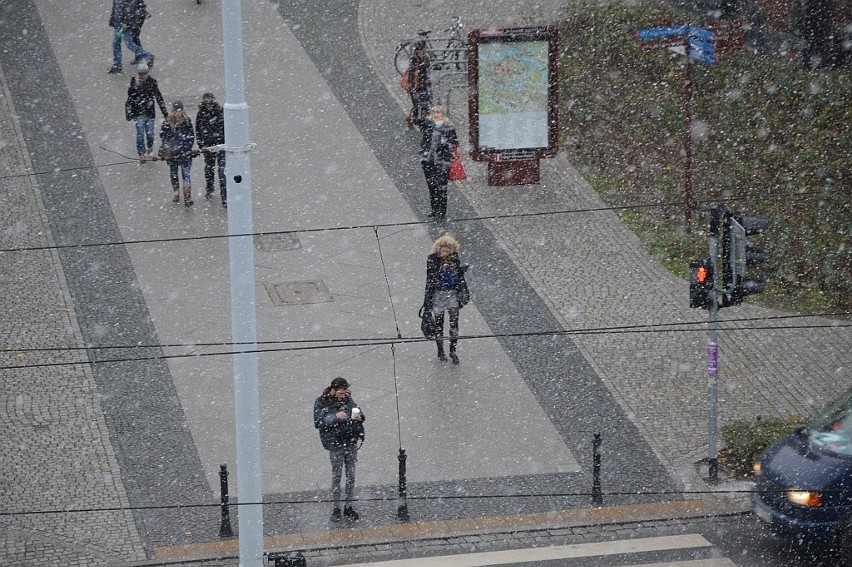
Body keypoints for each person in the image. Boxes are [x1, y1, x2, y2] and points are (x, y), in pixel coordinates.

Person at [313, 377, 365, 523]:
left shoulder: (348, 399)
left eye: (345, 392)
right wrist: (335, 417)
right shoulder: (321, 402)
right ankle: (336, 507)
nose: (344, 396)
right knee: (337, 476)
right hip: (335, 444)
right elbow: (318, 422)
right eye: (341, 393)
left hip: (350, 442)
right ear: (333, 390)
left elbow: (358, 411)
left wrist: (360, 416)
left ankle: (348, 506)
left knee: (351, 475)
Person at [423, 235, 470, 364]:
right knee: (439, 324)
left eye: (447, 251)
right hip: (438, 295)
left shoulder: (455, 260)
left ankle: (452, 350)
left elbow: (458, 279)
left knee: (454, 323)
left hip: (452, 294)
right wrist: (427, 301)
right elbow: (429, 281)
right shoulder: (432, 260)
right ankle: (440, 350)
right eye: (442, 251)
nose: (444, 254)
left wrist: (459, 272)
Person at [413, 105, 458, 219]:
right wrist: (417, 107)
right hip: (428, 160)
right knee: (431, 186)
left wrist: (444, 145)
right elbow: (416, 121)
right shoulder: (428, 124)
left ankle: (442, 212)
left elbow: (454, 143)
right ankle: (434, 209)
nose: (436, 115)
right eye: (434, 112)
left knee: (441, 187)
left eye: (438, 112)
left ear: (443, 114)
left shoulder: (449, 127)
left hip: (442, 162)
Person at [126, 62, 168, 162]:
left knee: (150, 133)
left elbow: (159, 97)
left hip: (149, 113)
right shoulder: (133, 82)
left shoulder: (152, 82)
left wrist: (165, 113)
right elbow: (130, 98)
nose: (142, 76)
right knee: (140, 133)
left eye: (144, 74)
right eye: (140, 74)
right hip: (138, 113)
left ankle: (149, 147)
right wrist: (129, 113)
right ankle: (141, 153)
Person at [159, 101, 196, 206]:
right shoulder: (167, 123)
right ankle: (176, 191)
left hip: (185, 154)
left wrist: (186, 148)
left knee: (186, 175)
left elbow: (191, 136)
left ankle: (187, 197)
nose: (178, 113)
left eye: (180, 110)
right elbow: (163, 136)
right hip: (173, 155)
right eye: (176, 111)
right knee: (174, 174)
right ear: (173, 111)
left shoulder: (187, 122)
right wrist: (170, 148)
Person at [195, 93, 227, 207]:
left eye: (210, 103)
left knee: (222, 171)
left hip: (221, 145)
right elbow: (198, 130)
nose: (208, 105)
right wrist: (201, 145)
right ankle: (210, 187)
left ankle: (225, 197)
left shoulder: (221, 112)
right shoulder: (201, 114)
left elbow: (226, 127)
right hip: (208, 147)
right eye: (206, 103)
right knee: (209, 169)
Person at [108, 0, 154, 74]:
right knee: (116, 43)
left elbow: (130, 10)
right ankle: (117, 65)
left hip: (125, 25)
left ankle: (146, 55)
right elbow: (115, 9)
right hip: (117, 24)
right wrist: (113, 20)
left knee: (129, 43)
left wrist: (126, 22)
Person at [405, 41, 431, 129]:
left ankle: (413, 119)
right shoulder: (416, 61)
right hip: (418, 88)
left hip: (421, 87)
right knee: (421, 106)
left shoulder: (418, 59)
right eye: (425, 48)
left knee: (421, 106)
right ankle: (418, 122)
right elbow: (414, 76)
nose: (426, 50)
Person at [127, 0, 150, 64]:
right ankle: (140, 56)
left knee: (134, 37)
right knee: (135, 37)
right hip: (136, 15)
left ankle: (142, 56)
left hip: (136, 16)